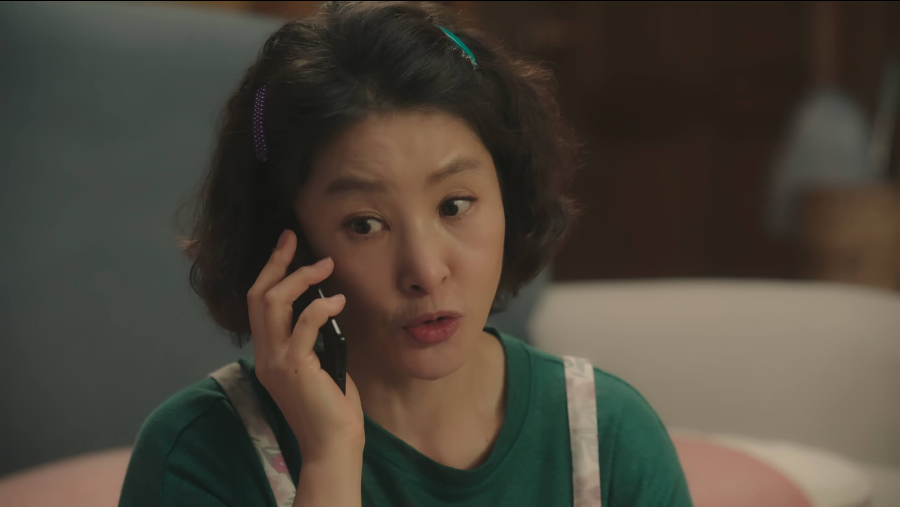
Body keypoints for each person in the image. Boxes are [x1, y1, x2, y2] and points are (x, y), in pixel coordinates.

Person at [118, 2, 693, 506]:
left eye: (455, 205)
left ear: (509, 196)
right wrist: (329, 461)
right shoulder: (197, 454)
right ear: (285, 241)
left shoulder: (605, 436)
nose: (425, 270)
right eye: (365, 224)